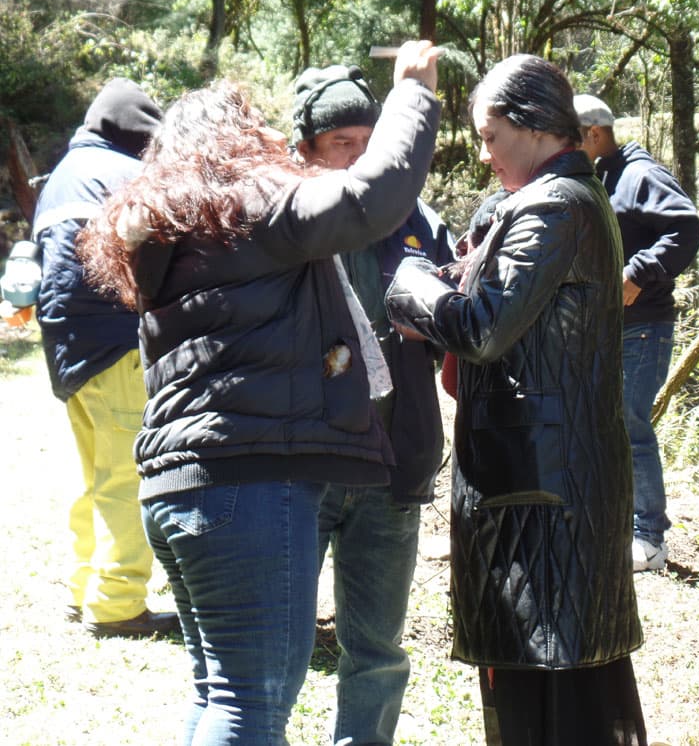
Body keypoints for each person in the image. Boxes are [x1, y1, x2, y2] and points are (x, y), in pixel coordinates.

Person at [77, 41, 441, 744]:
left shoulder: (174, 231)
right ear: (233, 143)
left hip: (176, 488)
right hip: (248, 488)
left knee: (219, 694)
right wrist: (414, 95)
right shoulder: (249, 205)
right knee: (250, 705)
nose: (273, 139)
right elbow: (373, 197)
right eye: (258, 129)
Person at [385, 54, 647, 746]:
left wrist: (408, 282)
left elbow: (481, 325)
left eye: (490, 134)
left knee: (553, 699)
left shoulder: (555, 205)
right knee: (549, 686)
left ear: (534, 127)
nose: (484, 153)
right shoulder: (551, 202)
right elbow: (488, 297)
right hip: (542, 484)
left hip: (543, 493)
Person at [291, 63, 454, 745]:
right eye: (341, 143)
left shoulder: (416, 219)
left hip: (393, 470)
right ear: (305, 149)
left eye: (370, 138)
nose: (360, 155)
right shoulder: (286, 220)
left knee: (379, 651)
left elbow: (461, 329)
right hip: (306, 470)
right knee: (278, 645)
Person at [32, 78, 179, 638]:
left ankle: (83, 586)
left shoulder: (62, 177)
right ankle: (118, 604)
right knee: (127, 474)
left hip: (67, 350)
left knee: (94, 473)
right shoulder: (121, 175)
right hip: (117, 343)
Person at [574, 93, 699, 571]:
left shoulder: (640, 174)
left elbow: (686, 228)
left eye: (572, 138)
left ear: (594, 134)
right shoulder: (603, 175)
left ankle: (650, 539)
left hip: (644, 327)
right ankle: (618, 526)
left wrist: (638, 272)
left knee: (630, 427)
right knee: (606, 425)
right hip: (610, 327)